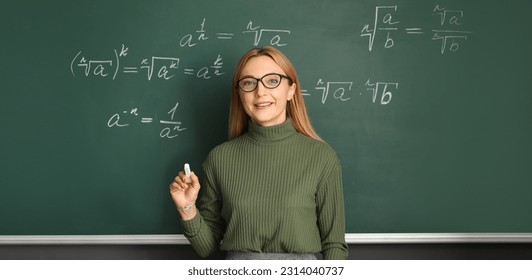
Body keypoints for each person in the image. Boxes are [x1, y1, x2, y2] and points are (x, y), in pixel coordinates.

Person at [169, 46, 348, 260]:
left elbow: (334, 246)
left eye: (272, 81)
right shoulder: (219, 159)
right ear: (239, 94)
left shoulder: (322, 157)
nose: (260, 92)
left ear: (291, 90)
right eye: (248, 83)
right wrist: (187, 208)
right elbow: (207, 248)